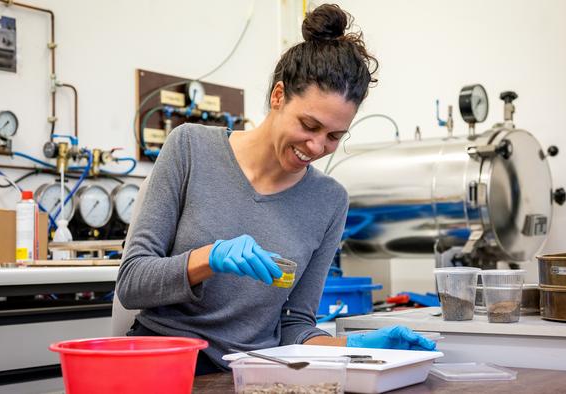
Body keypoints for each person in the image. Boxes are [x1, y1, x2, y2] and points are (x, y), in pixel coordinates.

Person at [116, 3, 436, 376]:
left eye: (334, 136)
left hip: (256, 372)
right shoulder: (190, 148)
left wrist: (356, 347)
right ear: (279, 96)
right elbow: (132, 283)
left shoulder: (330, 201)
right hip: (169, 363)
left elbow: (295, 324)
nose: (317, 147)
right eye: (309, 125)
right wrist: (207, 258)